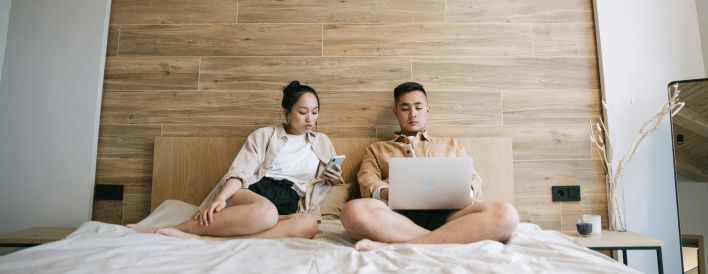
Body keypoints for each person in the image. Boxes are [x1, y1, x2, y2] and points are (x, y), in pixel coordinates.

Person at [129, 80, 343, 240]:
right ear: (286, 113)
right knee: (266, 213)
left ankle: (219, 238)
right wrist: (221, 198)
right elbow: (240, 170)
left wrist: (333, 178)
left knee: (308, 225)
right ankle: (178, 229)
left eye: (315, 113)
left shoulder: (322, 142)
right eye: (303, 112)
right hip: (254, 192)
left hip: (290, 200)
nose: (310, 119)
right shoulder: (265, 135)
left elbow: (322, 183)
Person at [340, 82, 519, 251]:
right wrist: (388, 192)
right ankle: (447, 239)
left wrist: (463, 191)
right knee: (352, 211)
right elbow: (366, 180)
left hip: (450, 216)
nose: (413, 114)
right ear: (396, 112)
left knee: (506, 214)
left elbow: (474, 180)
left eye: (418, 107)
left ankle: (397, 245)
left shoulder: (451, 144)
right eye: (405, 108)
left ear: (428, 110)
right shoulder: (377, 149)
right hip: (396, 219)